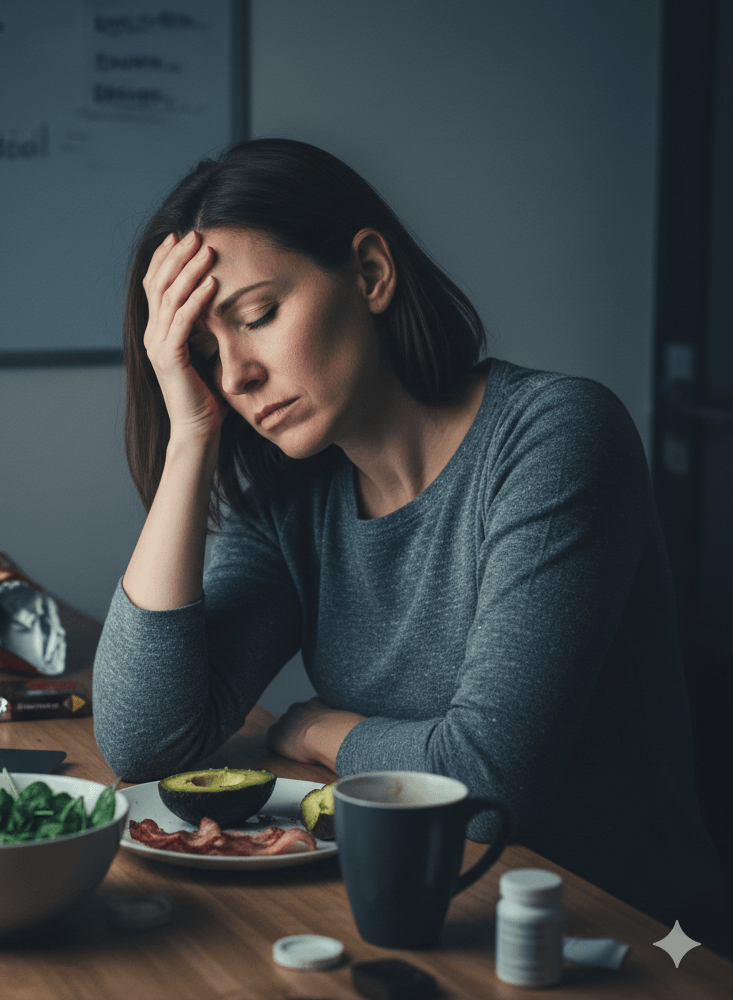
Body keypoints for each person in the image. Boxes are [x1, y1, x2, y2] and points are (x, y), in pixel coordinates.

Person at [92, 138, 727, 948]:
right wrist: (190, 435)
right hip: (429, 913)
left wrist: (320, 729)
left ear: (370, 273)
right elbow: (146, 740)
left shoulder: (557, 437)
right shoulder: (291, 493)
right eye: (207, 355)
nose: (237, 376)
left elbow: (491, 777)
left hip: (631, 937)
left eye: (257, 317)